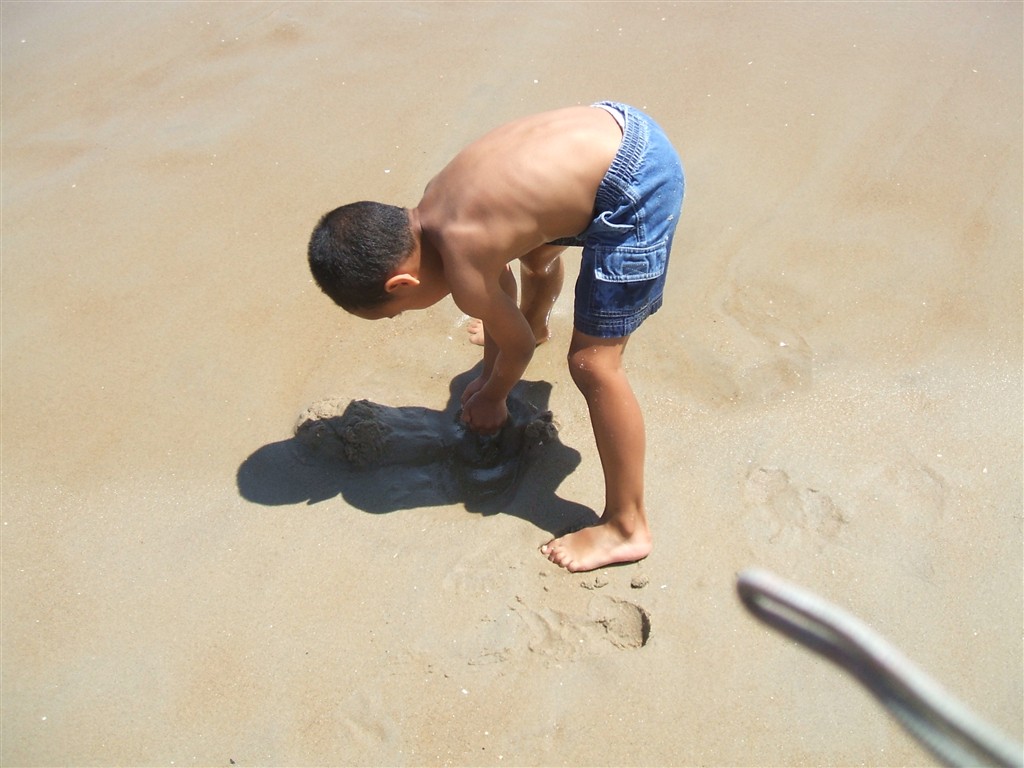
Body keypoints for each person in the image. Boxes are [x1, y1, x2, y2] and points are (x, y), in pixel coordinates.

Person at [307, 101, 684, 572]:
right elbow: (499, 279)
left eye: (395, 313)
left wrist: (493, 396)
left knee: (593, 363)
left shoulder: (465, 269)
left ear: (402, 284)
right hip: (616, 129)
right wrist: (490, 369)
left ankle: (626, 526)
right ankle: (537, 319)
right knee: (533, 248)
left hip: (638, 188)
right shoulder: (437, 202)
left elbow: (515, 346)